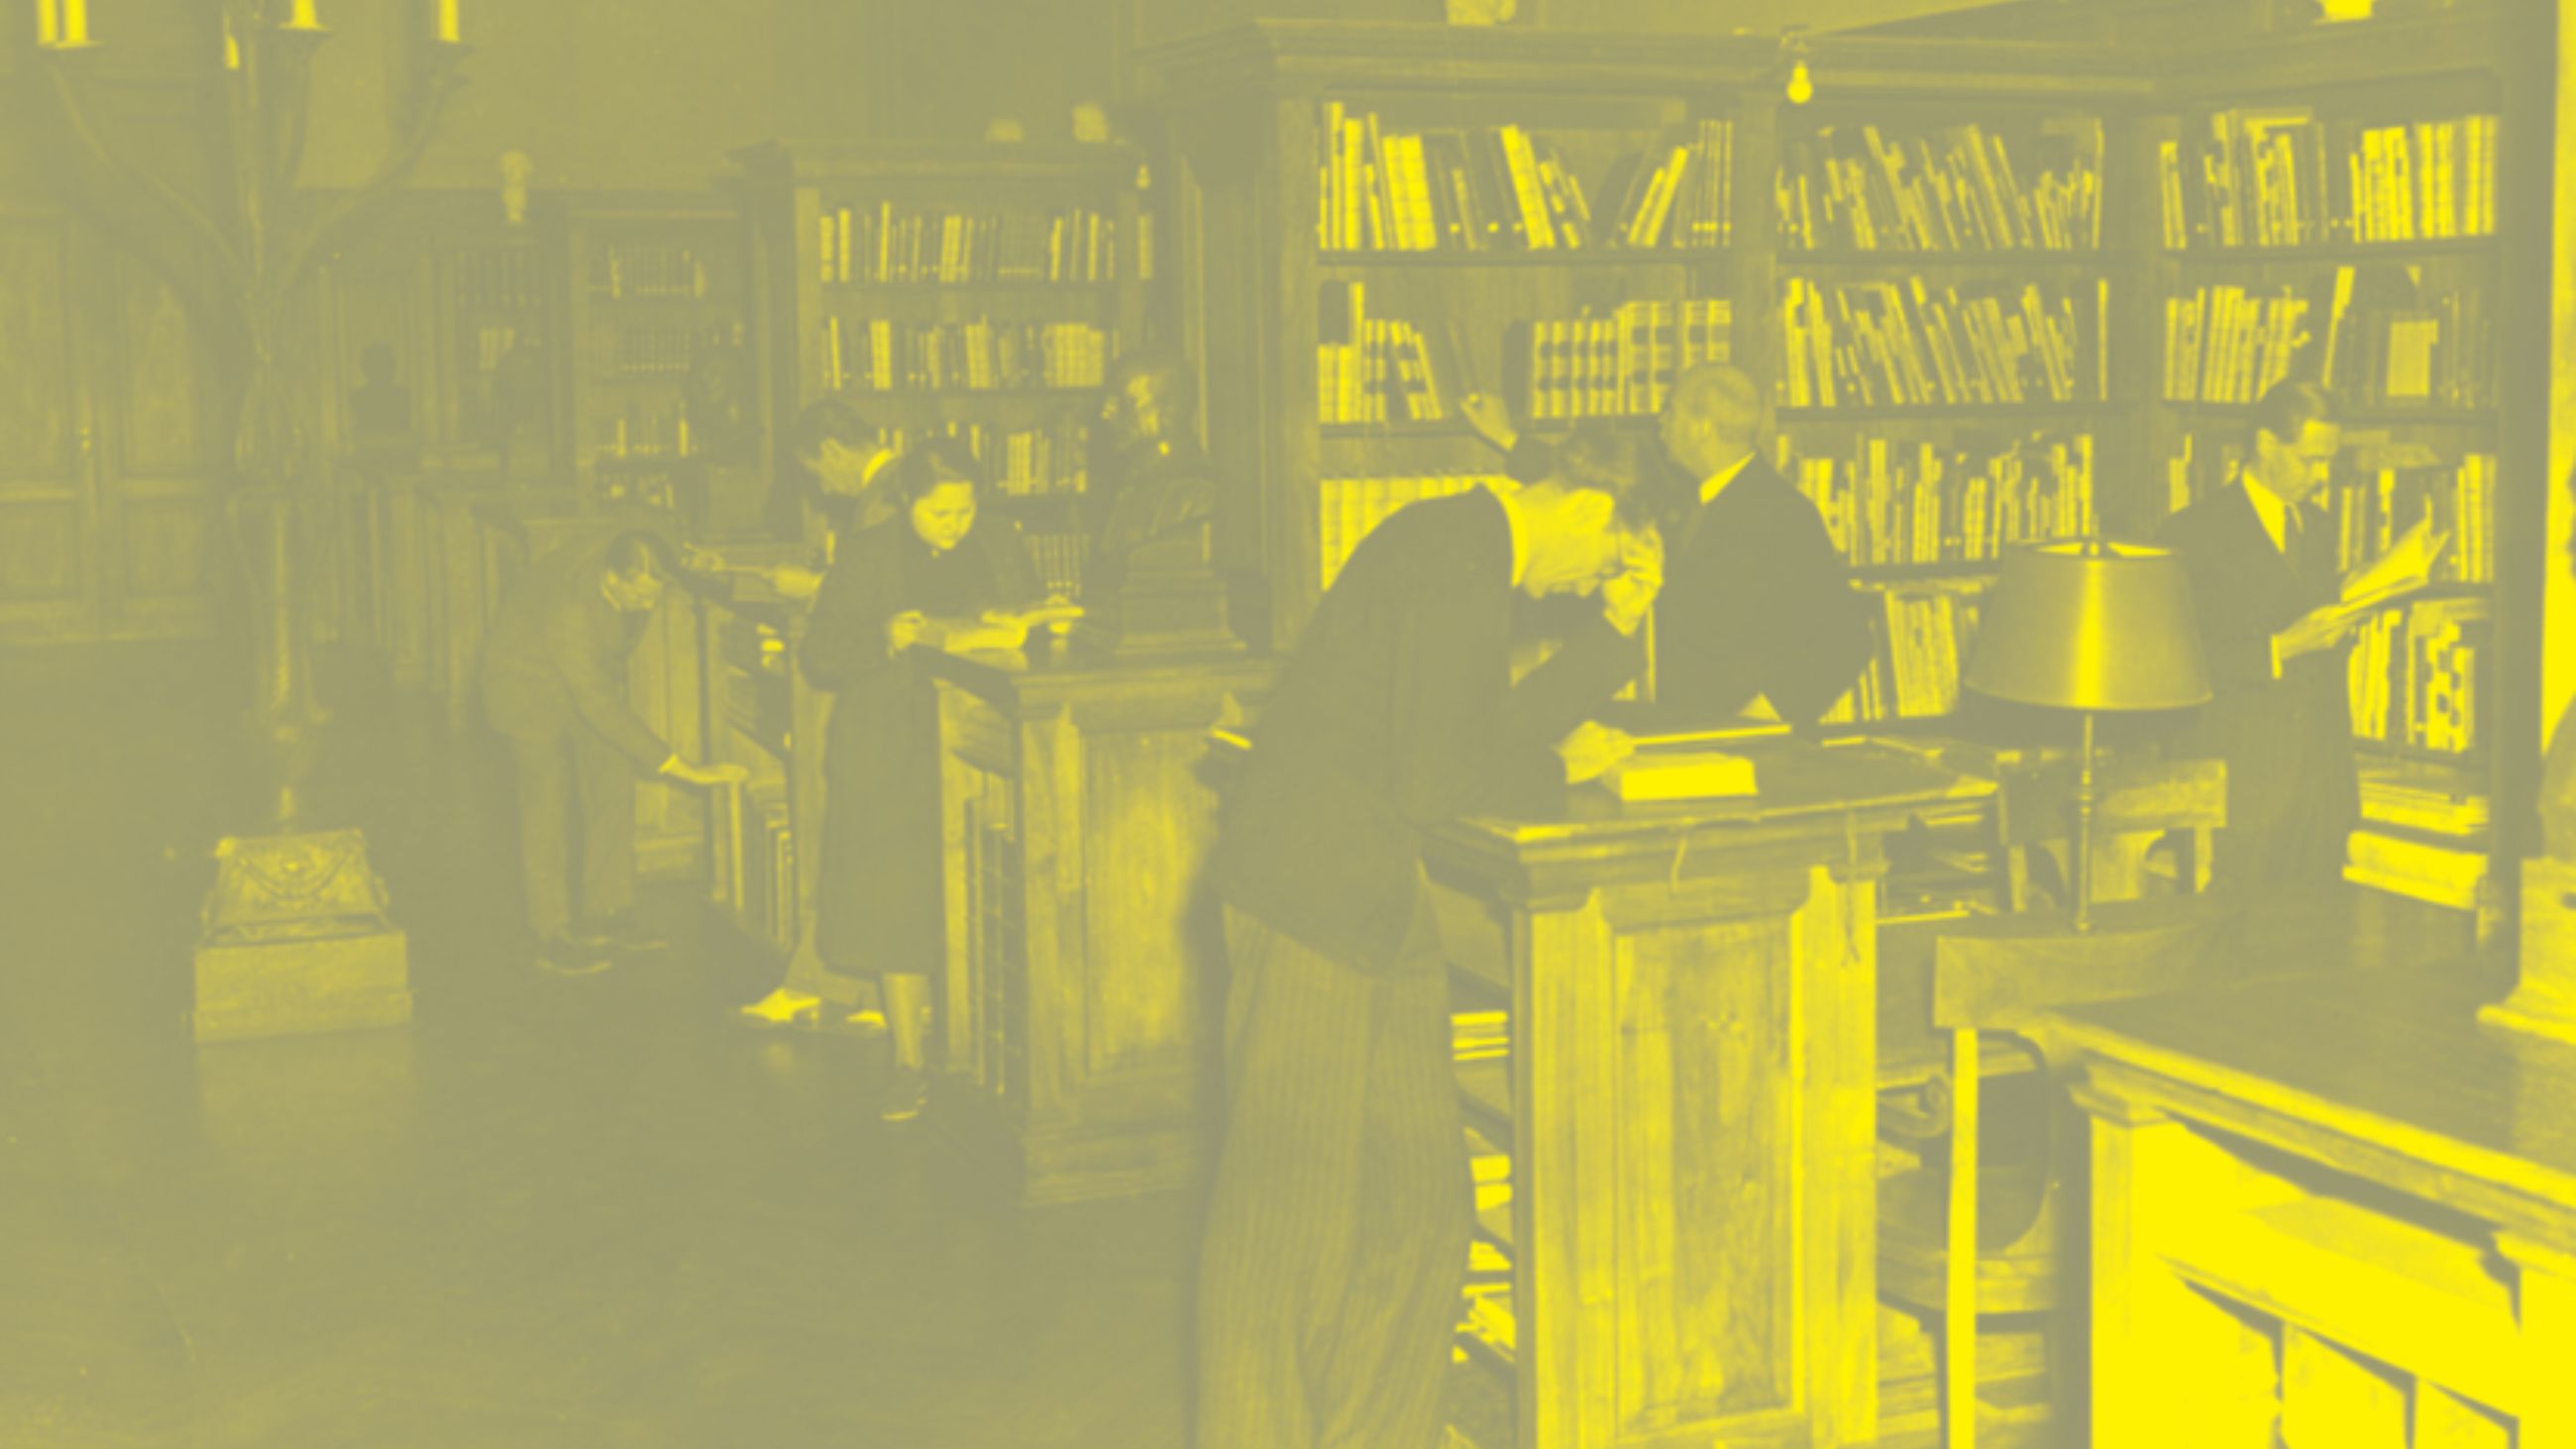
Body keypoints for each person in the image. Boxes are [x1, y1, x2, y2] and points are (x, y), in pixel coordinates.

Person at [1194, 424, 1668, 1449]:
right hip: (1311, 898)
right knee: (1287, 1226)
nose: (1583, 586)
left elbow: (1466, 738)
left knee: (1419, 1212)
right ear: (1588, 507)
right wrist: (1563, 771)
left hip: (1371, 900)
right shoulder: (1458, 558)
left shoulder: (1461, 548)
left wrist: (1614, 630)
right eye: (1605, 564)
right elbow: (1441, 780)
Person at [794, 440, 1072, 1120]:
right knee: (898, 905)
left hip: (979, 742)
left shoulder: (997, 539)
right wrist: (884, 636)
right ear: (906, 502)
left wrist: (1035, 619)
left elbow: (1023, 612)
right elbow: (820, 653)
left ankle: (985, 1052)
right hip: (890, 749)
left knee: (983, 887)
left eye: (965, 511)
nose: (955, 525)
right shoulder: (869, 552)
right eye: (939, 513)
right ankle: (909, 1061)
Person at [1462, 362, 1870, 726]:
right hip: (1670, 722)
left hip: (1732, 737)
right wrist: (1507, 438)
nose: (1661, 422)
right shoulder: (1683, 490)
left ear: (1702, 426)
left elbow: (1846, 637)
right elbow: (1594, 480)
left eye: (1670, 410)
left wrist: (1766, 715)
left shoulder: (1782, 513)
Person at [481, 531, 746, 975]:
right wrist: (684, 769)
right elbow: (596, 702)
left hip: (587, 674)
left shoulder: (638, 556)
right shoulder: (568, 608)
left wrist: (696, 557)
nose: (648, 605)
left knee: (613, 783)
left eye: (655, 595)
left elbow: (654, 527)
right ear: (611, 578)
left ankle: (609, 911)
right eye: (639, 595)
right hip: (525, 686)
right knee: (545, 805)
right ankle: (551, 933)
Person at [2157, 379, 2360, 889]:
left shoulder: (2319, 527)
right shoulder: (2191, 532)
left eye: (2329, 462)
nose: (2322, 477)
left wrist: (2351, 611)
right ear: (2267, 443)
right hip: (2240, 782)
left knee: (2317, 928)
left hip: (2319, 783)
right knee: (2236, 927)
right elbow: (2174, 665)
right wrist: (2281, 648)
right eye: (2310, 461)